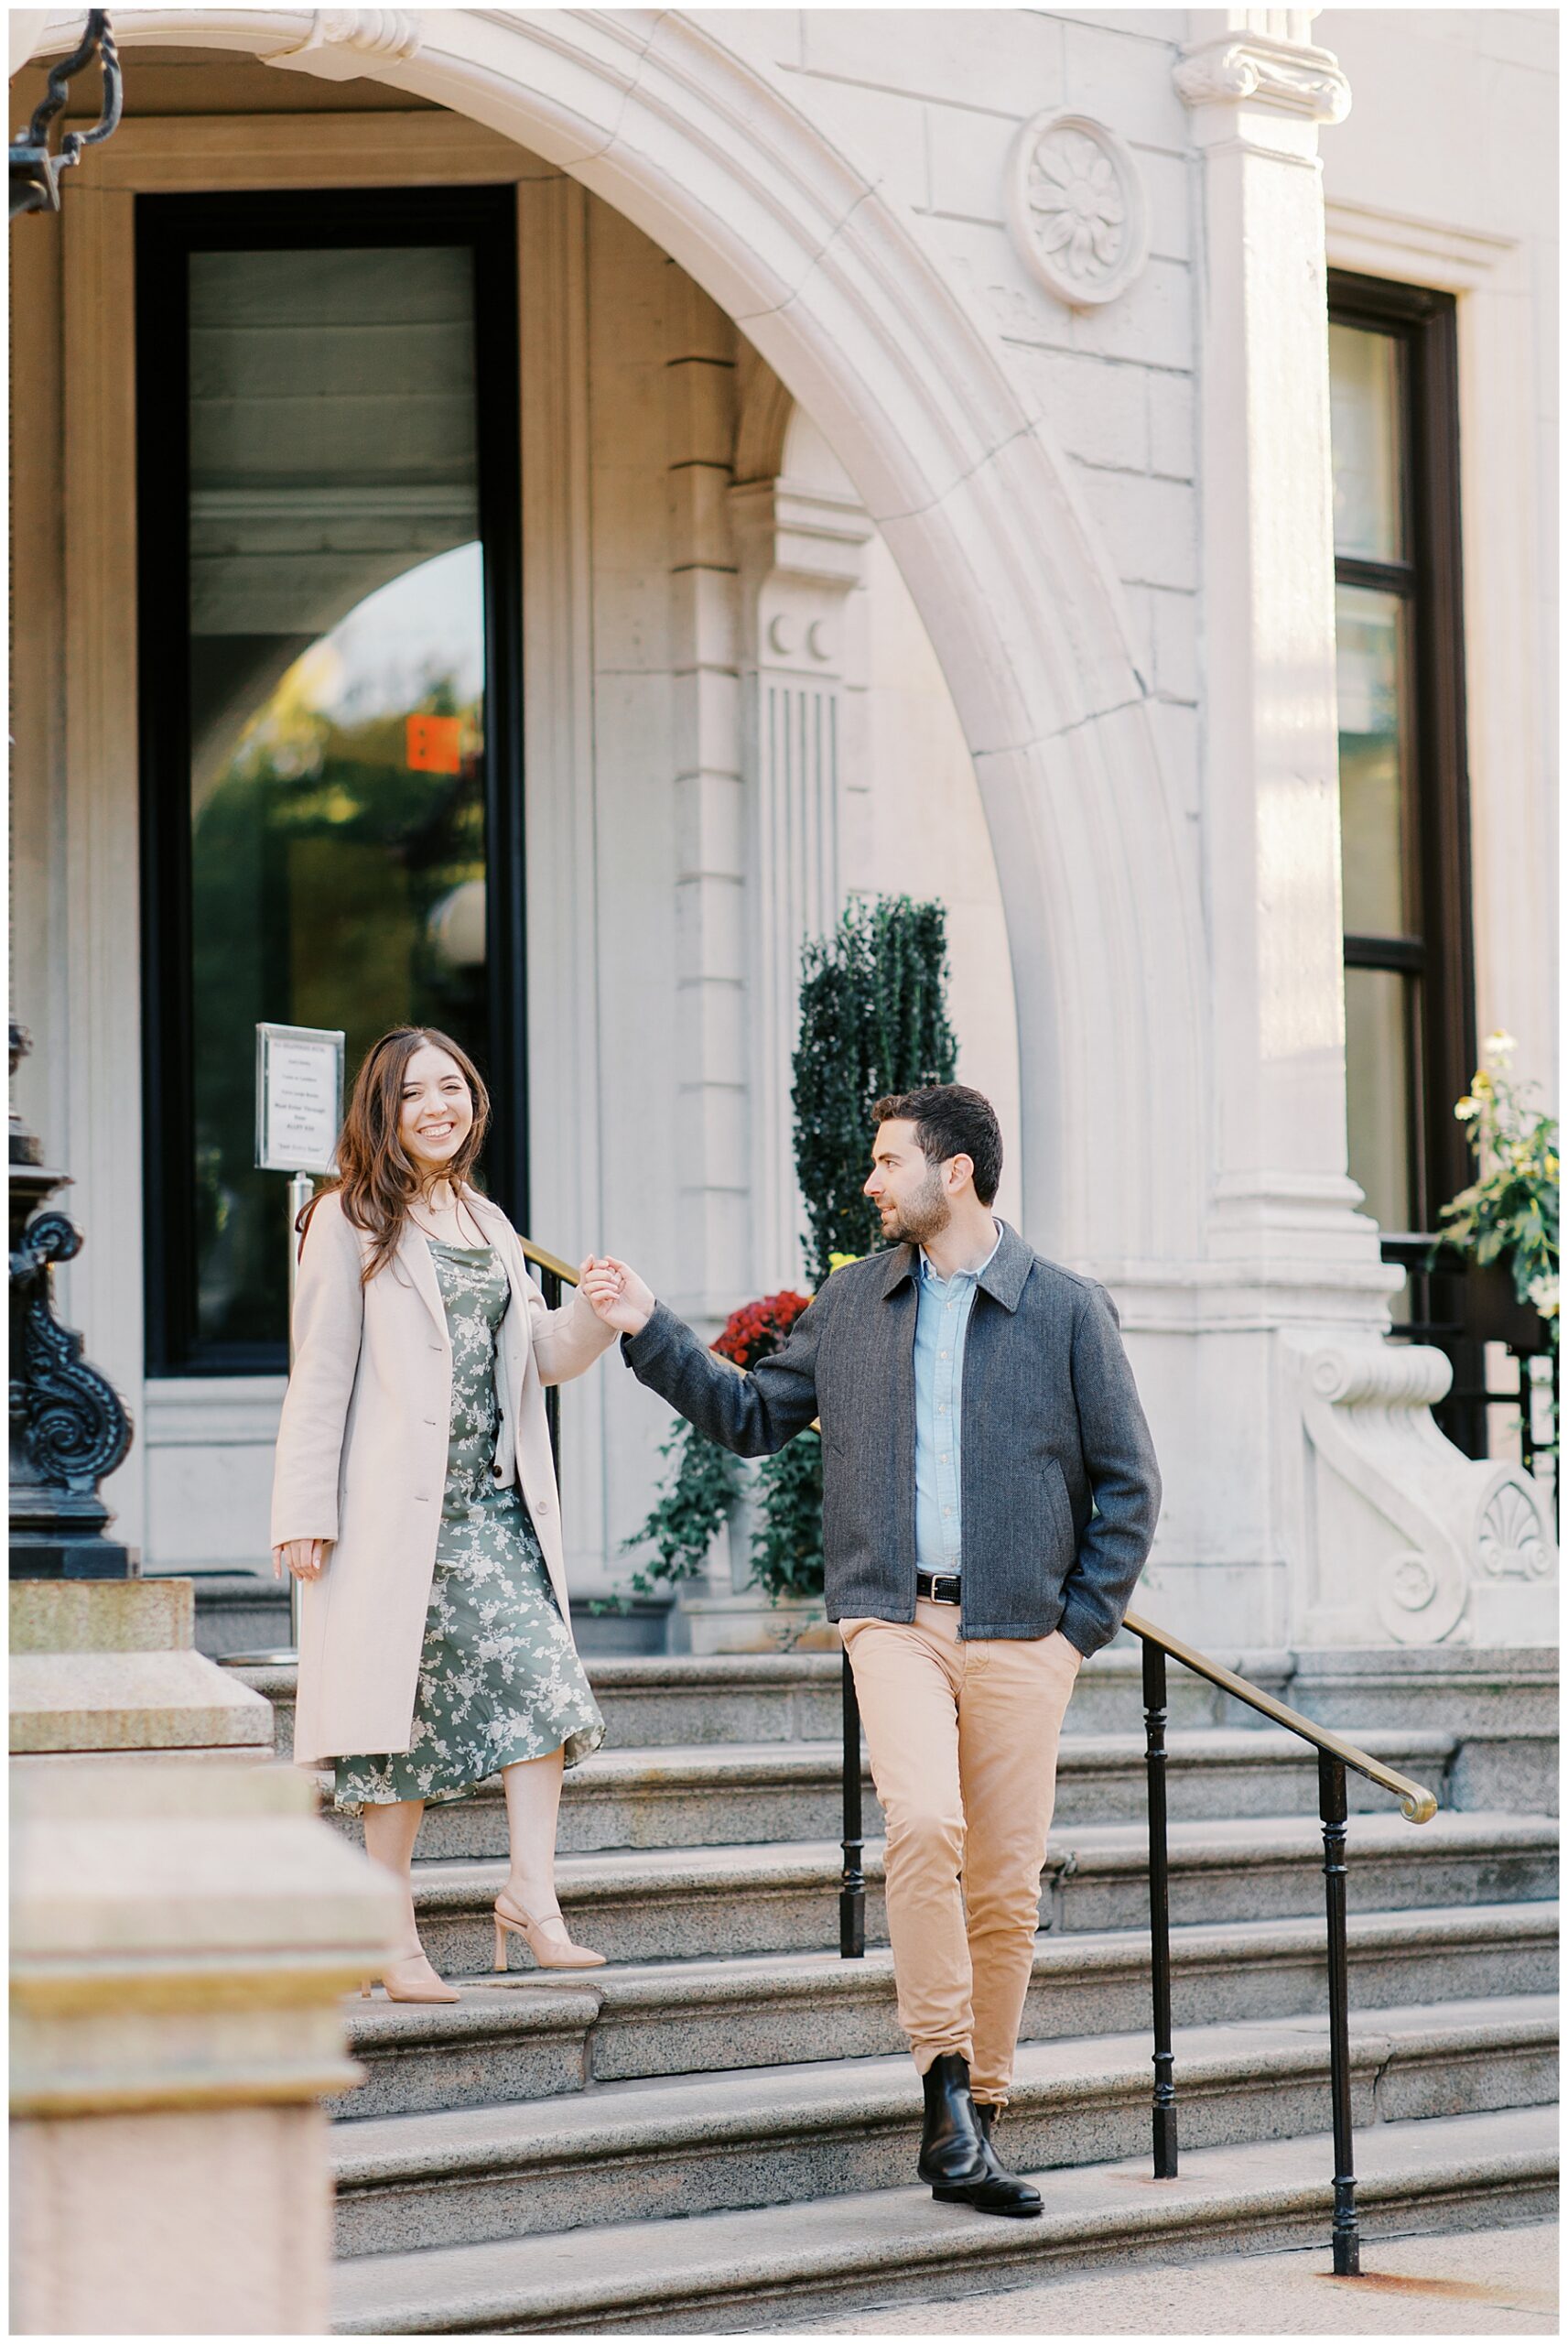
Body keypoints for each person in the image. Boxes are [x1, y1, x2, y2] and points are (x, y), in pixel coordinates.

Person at [581, 1083, 1161, 2217]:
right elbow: (751, 1416)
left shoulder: (1067, 1311)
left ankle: (976, 2122)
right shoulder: (854, 1301)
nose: (871, 1180)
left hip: (1020, 1629)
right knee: (925, 1825)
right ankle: (944, 2081)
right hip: (891, 1616)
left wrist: (1075, 1629)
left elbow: (1130, 1484)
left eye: (889, 1161)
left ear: (956, 1173)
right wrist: (646, 1326)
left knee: (1003, 1883)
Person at [271, 1025, 620, 2002]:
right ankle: (390, 1932)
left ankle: (531, 1894)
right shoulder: (344, 1217)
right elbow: (321, 1370)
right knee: (399, 1727)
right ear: (382, 1112)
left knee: (547, 1684)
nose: (438, 1106)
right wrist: (303, 1507)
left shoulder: (489, 1222)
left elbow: (539, 1356)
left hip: (492, 1505)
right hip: (390, 1517)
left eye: (453, 1087)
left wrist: (596, 1311)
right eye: (414, 1093)